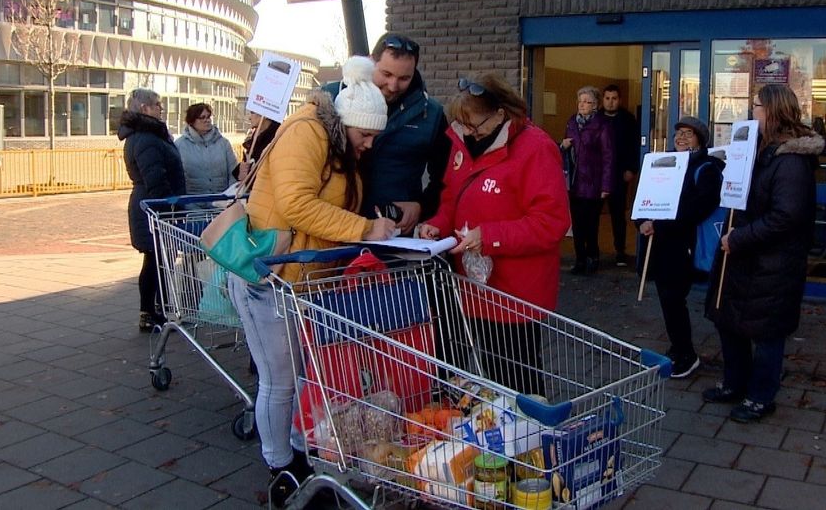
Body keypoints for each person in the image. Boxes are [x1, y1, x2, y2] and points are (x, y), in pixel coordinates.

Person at [229, 56, 397, 504]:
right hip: (272, 278)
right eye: (366, 136)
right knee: (280, 379)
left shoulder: (337, 144)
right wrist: (363, 229)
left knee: (306, 376)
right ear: (351, 123)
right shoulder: (308, 132)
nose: (368, 146)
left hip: (305, 282)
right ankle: (280, 466)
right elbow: (298, 203)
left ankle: (302, 456)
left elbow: (333, 203)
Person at [420, 73, 570, 394]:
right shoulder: (464, 141)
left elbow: (550, 222)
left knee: (516, 380)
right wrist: (438, 224)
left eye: (477, 125)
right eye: (465, 126)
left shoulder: (535, 148)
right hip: (474, 287)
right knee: (491, 376)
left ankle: (530, 438)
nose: (471, 134)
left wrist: (487, 236)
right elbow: (452, 198)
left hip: (514, 293)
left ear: (501, 113)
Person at [703, 84, 824, 423]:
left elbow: (786, 216)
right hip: (744, 257)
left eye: (756, 105)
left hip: (771, 262)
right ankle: (734, 383)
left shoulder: (791, 162)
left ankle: (760, 396)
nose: (751, 111)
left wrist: (740, 238)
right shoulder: (760, 150)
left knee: (766, 331)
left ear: (772, 111)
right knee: (730, 322)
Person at [324, 33, 450, 232]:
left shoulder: (431, 114)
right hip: (335, 225)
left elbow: (446, 178)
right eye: (386, 74)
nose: (392, 86)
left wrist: (422, 206)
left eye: (404, 78)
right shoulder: (332, 96)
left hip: (393, 232)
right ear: (370, 62)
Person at [636, 117, 722, 379]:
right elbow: (645, 196)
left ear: (700, 139)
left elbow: (698, 208)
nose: (681, 138)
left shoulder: (706, 168)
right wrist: (642, 221)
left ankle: (686, 354)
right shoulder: (664, 164)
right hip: (662, 244)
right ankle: (678, 347)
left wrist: (661, 225)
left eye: (689, 134)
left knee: (674, 298)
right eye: (678, 133)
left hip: (683, 245)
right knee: (667, 298)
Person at [118, 88, 185, 332]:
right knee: (155, 260)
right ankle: (150, 311)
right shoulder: (146, 138)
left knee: (156, 259)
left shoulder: (149, 134)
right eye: (157, 104)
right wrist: (169, 207)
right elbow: (155, 178)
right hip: (153, 207)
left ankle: (154, 310)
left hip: (152, 204)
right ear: (145, 108)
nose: (161, 108)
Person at [561, 86, 614, 275]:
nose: (582, 104)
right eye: (580, 101)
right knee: (577, 224)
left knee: (591, 224)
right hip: (574, 182)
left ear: (595, 106)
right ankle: (580, 260)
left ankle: (593, 257)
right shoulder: (571, 123)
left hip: (593, 182)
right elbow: (564, 150)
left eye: (587, 102)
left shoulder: (602, 125)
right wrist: (563, 145)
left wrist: (606, 185)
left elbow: (608, 157)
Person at [601, 84, 640, 267]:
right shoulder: (596, 119)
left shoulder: (628, 120)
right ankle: (592, 252)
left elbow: (635, 146)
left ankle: (620, 252)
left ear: (620, 100)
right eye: (607, 98)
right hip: (597, 174)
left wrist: (632, 169)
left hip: (619, 174)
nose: (610, 102)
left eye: (614, 98)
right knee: (593, 214)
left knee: (618, 215)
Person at [174, 103, 237, 195]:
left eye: (208, 117)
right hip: (192, 203)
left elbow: (233, 172)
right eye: (202, 117)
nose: (207, 120)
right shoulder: (180, 145)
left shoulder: (224, 143)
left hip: (221, 202)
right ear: (192, 121)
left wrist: (230, 197)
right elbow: (176, 177)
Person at [233, 109, 281, 181]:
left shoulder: (277, 139)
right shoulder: (254, 137)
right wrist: (240, 170)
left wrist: (247, 177)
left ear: (264, 116)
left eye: (252, 113)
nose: (249, 118)